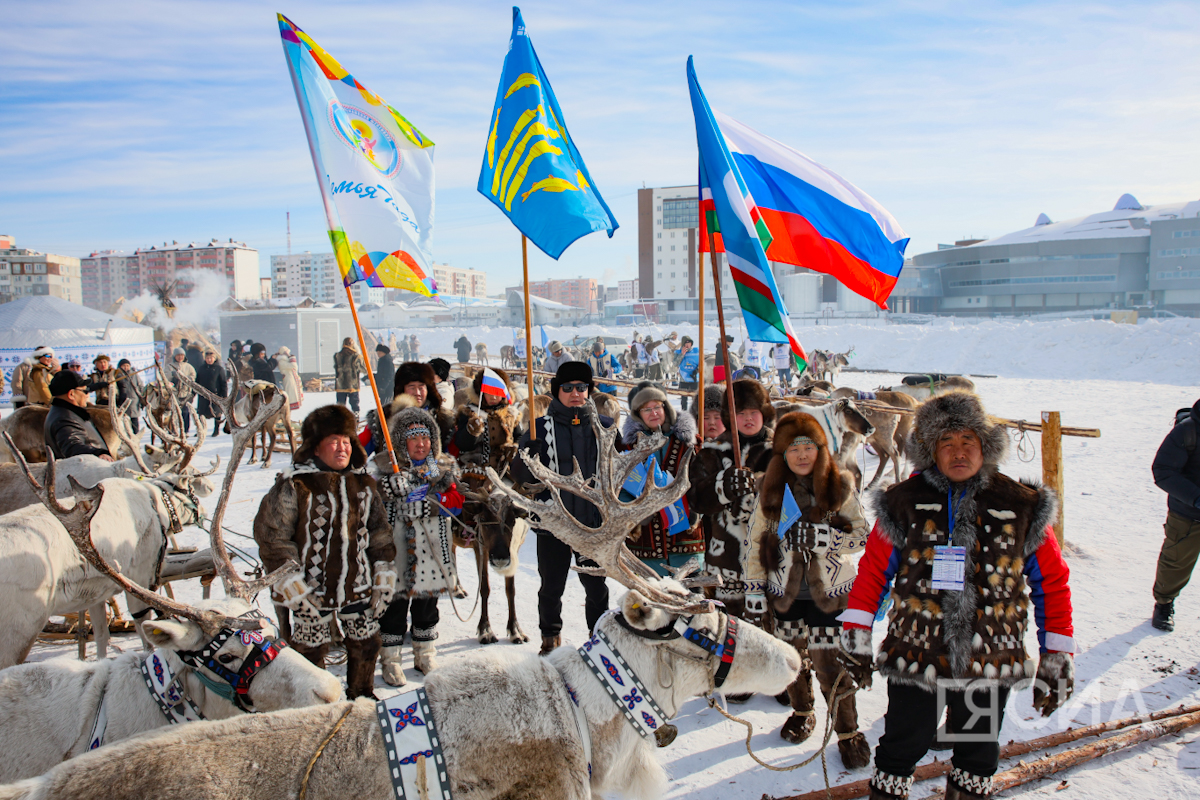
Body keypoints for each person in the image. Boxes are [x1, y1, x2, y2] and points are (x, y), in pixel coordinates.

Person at [838, 391, 1074, 800]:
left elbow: (1051, 583)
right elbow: (874, 572)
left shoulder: (1021, 505)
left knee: (975, 754)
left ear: (985, 445)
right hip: (917, 656)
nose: (959, 452)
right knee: (899, 751)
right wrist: (856, 633)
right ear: (930, 450)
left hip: (988, 659)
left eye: (968, 441)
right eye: (946, 443)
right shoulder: (903, 503)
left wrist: (1056, 652)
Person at [742, 411, 870, 766]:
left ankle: (848, 732)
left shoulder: (840, 485)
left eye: (808, 447)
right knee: (791, 661)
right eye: (793, 448)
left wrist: (826, 538)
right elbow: (755, 542)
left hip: (830, 595)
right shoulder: (770, 490)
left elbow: (862, 535)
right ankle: (802, 712)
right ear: (782, 453)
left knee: (831, 666)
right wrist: (754, 591)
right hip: (785, 595)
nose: (801, 455)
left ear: (820, 449)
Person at [253, 405, 396, 699]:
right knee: (309, 652)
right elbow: (272, 537)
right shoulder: (295, 484)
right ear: (315, 448)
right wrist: (290, 582)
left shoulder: (365, 484)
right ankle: (314, 706)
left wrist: (383, 570)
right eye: (334, 441)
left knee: (367, 644)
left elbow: (380, 533)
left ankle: (362, 697)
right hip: (310, 589)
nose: (342, 447)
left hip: (357, 586)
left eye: (346, 440)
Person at [511, 361, 613, 655]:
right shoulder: (538, 428)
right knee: (552, 586)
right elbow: (520, 477)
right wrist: (525, 457)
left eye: (582, 387)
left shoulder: (605, 427)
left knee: (596, 588)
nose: (576, 393)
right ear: (557, 392)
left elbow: (620, 471)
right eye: (568, 388)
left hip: (592, 523)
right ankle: (550, 638)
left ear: (589, 391)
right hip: (552, 524)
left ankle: (599, 641)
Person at [373, 406, 462, 685]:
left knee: (427, 604)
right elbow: (371, 507)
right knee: (395, 605)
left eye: (426, 438)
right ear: (401, 442)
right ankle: (391, 660)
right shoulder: (383, 470)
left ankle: (425, 654)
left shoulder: (441, 469)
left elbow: (457, 505)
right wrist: (388, 492)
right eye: (414, 439)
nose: (421, 444)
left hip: (432, 549)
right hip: (396, 548)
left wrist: (434, 504)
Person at [688, 378, 777, 623]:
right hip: (726, 560)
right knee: (728, 631)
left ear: (764, 414)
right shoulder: (713, 450)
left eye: (754, 412)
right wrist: (723, 487)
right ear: (731, 416)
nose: (748, 418)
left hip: (772, 559)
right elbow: (696, 499)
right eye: (741, 413)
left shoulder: (781, 451)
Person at [622, 382, 702, 576]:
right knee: (650, 603)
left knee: (691, 598)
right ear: (638, 415)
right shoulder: (629, 448)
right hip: (645, 547)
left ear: (665, 407)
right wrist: (634, 513)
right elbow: (621, 488)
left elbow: (701, 481)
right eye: (646, 409)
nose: (653, 412)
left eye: (657, 406)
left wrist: (695, 509)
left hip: (686, 542)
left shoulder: (690, 442)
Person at [1150, 398, 1200, 632]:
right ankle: (1164, 603)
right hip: (1189, 514)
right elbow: (1163, 471)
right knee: (1176, 563)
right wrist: (1196, 498)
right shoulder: (1187, 431)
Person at [365, 362, 455, 461]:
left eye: (421, 387)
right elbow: (359, 451)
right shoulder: (383, 417)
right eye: (411, 388)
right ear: (402, 389)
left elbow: (453, 457)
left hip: (433, 473)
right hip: (393, 473)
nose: (417, 393)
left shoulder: (444, 420)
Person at [452, 367, 519, 474]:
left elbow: (519, 437)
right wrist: (471, 432)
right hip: (475, 469)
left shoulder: (511, 415)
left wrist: (514, 448)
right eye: (489, 392)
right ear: (480, 393)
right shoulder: (469, 413)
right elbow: (461, 445)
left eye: (497, 392)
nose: (493, 397)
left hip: (504, 470)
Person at [44, 370, 113, 461]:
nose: (87, 395)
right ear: (72, 394)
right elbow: (72, 447)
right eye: (85, 391)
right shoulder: (64, 419)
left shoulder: (66, 412)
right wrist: (98, 453)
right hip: (85, 472)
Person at [194, 348, 229, 436]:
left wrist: (224, 396)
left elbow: (223, 383)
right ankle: (200, 430)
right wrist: (194, 392)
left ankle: (216, 430)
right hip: (203, 395)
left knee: (216, 413)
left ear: (214, 358)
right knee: (201, 413)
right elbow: (197, 381)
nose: (209, 360)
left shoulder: (219, 369)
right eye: (207, 358)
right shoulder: (201, 368)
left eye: (211, 358)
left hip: (215, 394)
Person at [163, 347, 196, 433]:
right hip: (173, 394)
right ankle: (173, 429)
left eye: (182, 355)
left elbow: (193, 376)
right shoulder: (169, 366)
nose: (180, 357)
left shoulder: (189, 367)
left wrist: (187, 378)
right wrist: (172, 374)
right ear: (175, 356)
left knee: (185, 413)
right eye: (178, 355)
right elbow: (165, 377)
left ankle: (185, 430)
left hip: (185, 393)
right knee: (173, 412)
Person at [334, 337, 367, 414]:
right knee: (354, 404)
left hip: (340, 384)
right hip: (352, 384)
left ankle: (340, 419)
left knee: (340, 405)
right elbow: (364, 370)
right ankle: (356, 418)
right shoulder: (356, 356)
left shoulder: (337, 356)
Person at [115, 359, 143, 433]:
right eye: (124, 366)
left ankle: (136, 434)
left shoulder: (134, 374)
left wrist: (142, 396)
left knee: (134, 419)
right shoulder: (117, 376)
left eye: (127, 365)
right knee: (123, 420)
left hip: (134, 400)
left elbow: (140, 385)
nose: (126, 367)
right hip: (122, 401)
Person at [275, 346, 304, 412]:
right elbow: (293, 366)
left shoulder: (287, 360)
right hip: (289, 379)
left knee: (294, 394)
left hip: (292, 379)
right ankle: (287, 412)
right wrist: (292, 358)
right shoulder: (281, 361)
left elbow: (295, 368)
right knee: (290, 396)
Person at [677, 337, 699, 410]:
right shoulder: (678, 352)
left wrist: (697, 370)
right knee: (683, 399)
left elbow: (702, 362)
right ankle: (684, 412)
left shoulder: (696, 351)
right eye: (686, 343)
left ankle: (695, 413)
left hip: (694, 379)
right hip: (684, 379)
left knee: (696, 399)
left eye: (689, 343)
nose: (687, 345)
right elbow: (675, 364)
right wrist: (682, 354)